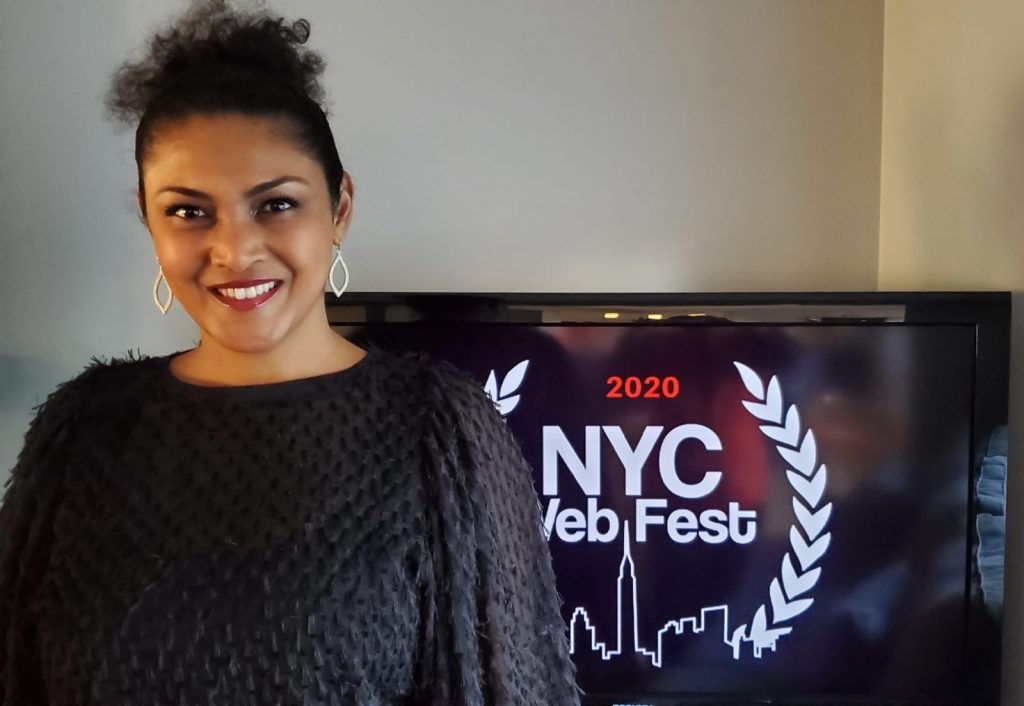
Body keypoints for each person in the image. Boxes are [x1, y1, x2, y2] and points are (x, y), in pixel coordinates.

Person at [0, 1, 581, 704]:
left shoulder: (437, 431)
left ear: (339, 208)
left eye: (275, 204)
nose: (234, 250)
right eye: (188, 210)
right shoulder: (80, 434)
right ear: (150, 220)